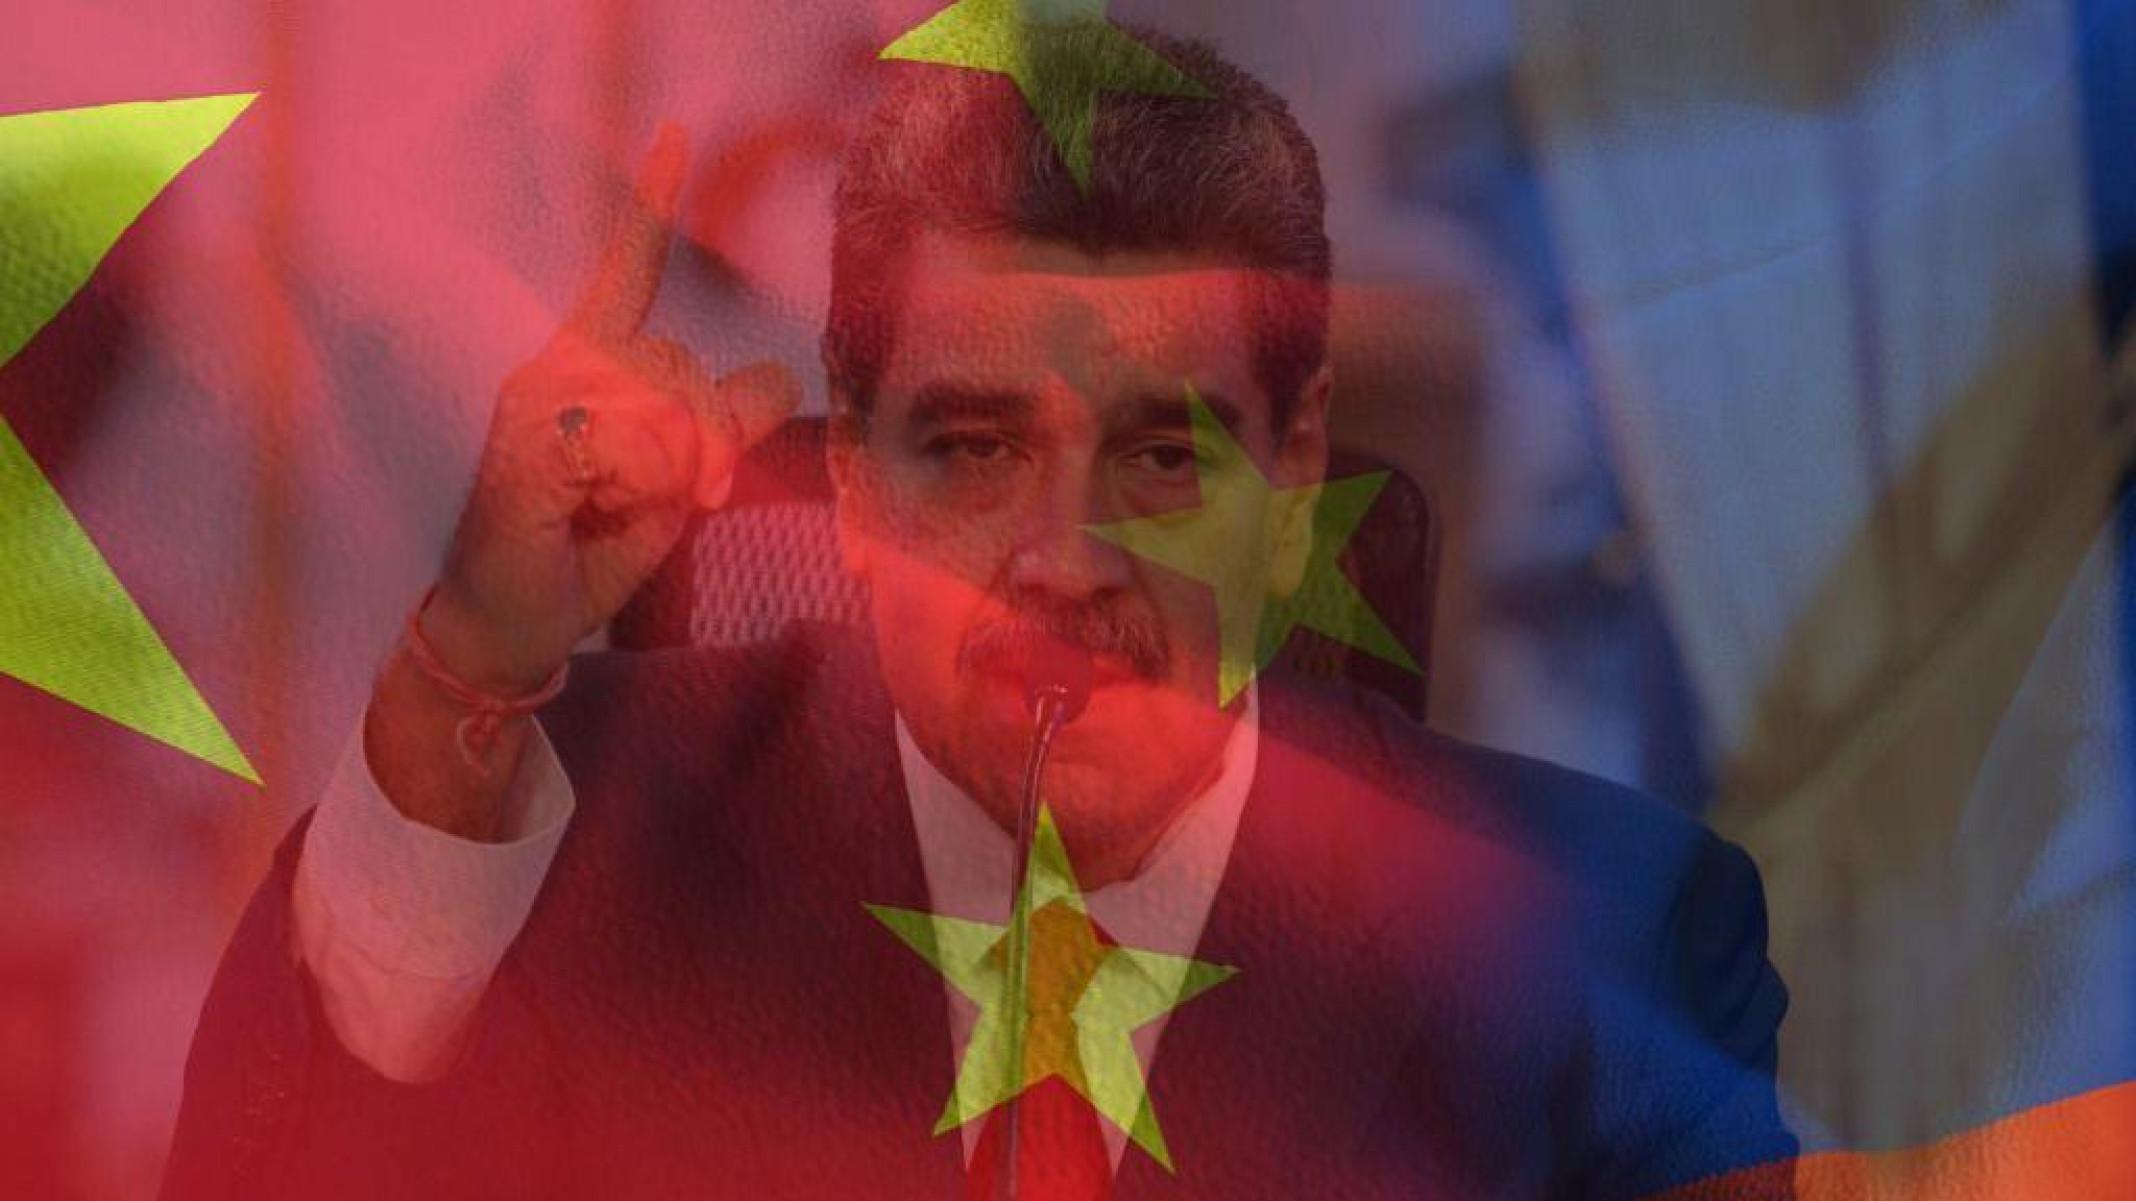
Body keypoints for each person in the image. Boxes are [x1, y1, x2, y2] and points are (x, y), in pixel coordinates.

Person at [162, 23, 1796, 1201]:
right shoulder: (558, 828)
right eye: (974, 450)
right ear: (851, 480)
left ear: (1295, 479)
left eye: (1164, 455)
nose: (1065, 557)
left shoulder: (1612, 926)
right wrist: (473, 654)